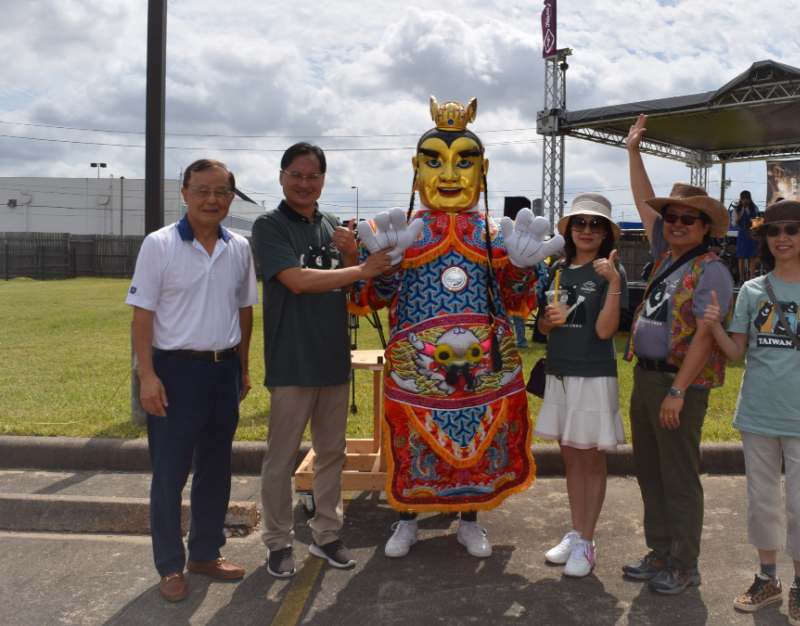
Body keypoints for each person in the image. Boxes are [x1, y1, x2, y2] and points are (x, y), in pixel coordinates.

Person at [350, 98, 563, 559]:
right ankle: (406, 518)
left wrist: (523, 269)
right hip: (418, 371)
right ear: (415, 169)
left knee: (475, 441)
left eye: (464, 161)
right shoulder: (399, 232)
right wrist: (380, 266)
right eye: (435, 161)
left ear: (482, 169)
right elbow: (371, 298)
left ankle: (470, 519)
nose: (449, 175)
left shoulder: (493, 235)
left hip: (482, 370)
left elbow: (514, 298)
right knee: (412, 441)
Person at [702, 200, 800, 626]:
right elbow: (735, 353)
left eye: (792, 229)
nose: (783, 238)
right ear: (765, 240)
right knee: (762, 502)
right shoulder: (753, 291)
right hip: (758, 414)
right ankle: (767, 579)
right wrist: (715, 325)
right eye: (774, 231)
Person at [252, 142, 393, 578]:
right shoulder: (268, 226)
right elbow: (296, 280)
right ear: (281, 177)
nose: (304, 183)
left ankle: (327, 535)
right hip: (292, 359)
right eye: (296, 174)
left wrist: (352, 254)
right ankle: (277, 541)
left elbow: (353, 295)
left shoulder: (332, 225)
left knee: (331, 452)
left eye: (313, 176)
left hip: (334, 357)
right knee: (281, 457)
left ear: (323, 181)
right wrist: (360, 268)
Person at [126, 159, 258, 602]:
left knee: (216, 470)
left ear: (231, 198)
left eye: (222, 191)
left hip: (223, 371)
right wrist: (147, 376)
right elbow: (142, 314)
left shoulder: (238, 246)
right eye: (202, 189)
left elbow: (245, 309)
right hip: (174, 372)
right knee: (169, 474)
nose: (212, 199)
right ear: (184, 193)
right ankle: (168, 566)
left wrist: (242, 365)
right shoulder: (159, 245)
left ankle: (204, 552)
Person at [621, 113, 735, 595]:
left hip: (677, 383)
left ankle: (685, 563)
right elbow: (644, 201)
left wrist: (677, 389)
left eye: (688, 218)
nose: (676, 223)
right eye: (672, 217)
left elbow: (707, 338)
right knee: (650, 472)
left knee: (679, 477)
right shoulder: (666, 253)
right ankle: (661, 551)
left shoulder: (712, 270)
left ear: (706, 227)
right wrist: (633, 152)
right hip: (646, 378)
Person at [535, 193, 628, 578]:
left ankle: (588, 542)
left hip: (593, 374)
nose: (586, 230)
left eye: (595, 224)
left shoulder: (610, 273)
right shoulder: (558, 268)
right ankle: (575, 532)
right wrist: (547, 323)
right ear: (569, 230)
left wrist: (613, 282)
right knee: (570, 455)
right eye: (579, 223)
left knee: (591, 458)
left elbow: (606, 331)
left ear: (605, 232)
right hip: (560, 372)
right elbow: (542, 327)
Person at [731, 190, 760, 283]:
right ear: (740, 199)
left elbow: (759, 222)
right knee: (741, 256)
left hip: (751, 232)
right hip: (742, 231)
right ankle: (741, 279)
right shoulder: (737, 210)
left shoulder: (755, 209)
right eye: (743, 198)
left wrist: (754, 222)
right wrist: (737, 220)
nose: (745, 200)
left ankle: (751, 278)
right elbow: (734, 224)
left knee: (752, 255)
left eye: (747, 198)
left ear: (750, 199)